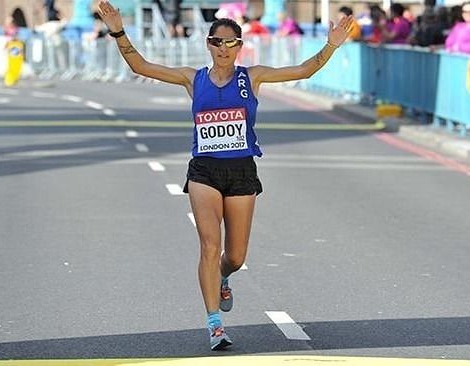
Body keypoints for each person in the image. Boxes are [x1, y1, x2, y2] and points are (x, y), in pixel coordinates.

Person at [96, 0, 353, 351]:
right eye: (217, 42)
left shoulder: (254, 76)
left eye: (230, 43)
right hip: (204, 170)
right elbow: (140, 65)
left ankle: (225, 277)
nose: (223, 49)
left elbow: (304, 70)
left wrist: (332, 45)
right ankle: (215, 324)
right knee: (208, 245)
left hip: (242, 170)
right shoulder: (193, 78)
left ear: (239, 47)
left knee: (234, 256)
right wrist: (117, 30)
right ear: (208, 44)